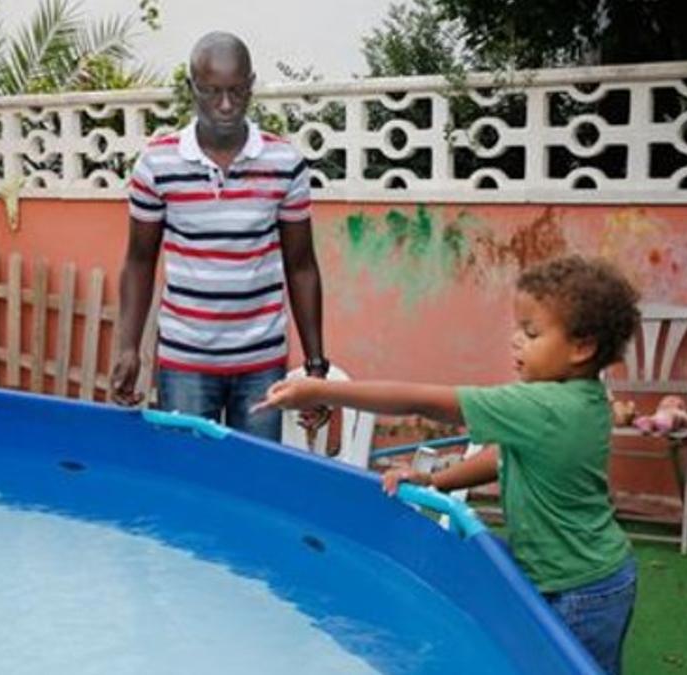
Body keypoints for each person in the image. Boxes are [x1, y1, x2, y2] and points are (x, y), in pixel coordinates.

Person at [253, 255, 641, 675]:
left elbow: (423, 399)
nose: (515, 341)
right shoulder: (583, 397)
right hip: (590, 576)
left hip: (580, 590)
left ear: (582, 347)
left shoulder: (542, 406)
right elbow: (504, 458)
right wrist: (435, 480)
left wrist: (319, 390)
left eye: (531, 333)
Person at [110, 31, 329, 441]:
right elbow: (139, 260)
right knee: (189, 484)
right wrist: (128, 347)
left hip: (262, 361)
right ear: (192, 88)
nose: (226, 105)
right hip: (184, 361)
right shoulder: (158, 163)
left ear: (251, 85)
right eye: (211, 92)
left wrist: (316, 366)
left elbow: (302, 267)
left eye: (236, 91)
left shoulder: (285, 163)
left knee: (252, 487)